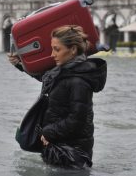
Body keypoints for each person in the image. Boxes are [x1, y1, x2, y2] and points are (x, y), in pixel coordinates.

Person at [8, 25, 107, 168]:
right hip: (59, 147)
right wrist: (19, 64)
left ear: (73, 50)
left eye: (57, 49)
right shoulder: (63, 71)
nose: (52, 54)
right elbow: (46, 78)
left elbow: (76, 120)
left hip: (73, 155)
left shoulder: (79, 81)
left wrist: (48, 133)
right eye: (52, 48)